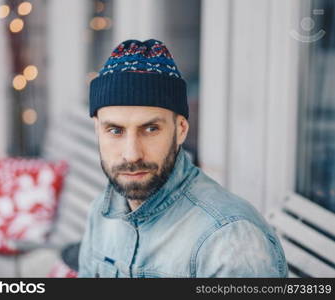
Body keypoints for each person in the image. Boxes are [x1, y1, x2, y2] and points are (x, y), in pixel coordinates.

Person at [78, 39, 288, 278]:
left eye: (150, 129)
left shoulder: (228, 241)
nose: (132, 154)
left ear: (181, 129)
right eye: (115, 130)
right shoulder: (102, 211)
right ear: (97, 130)